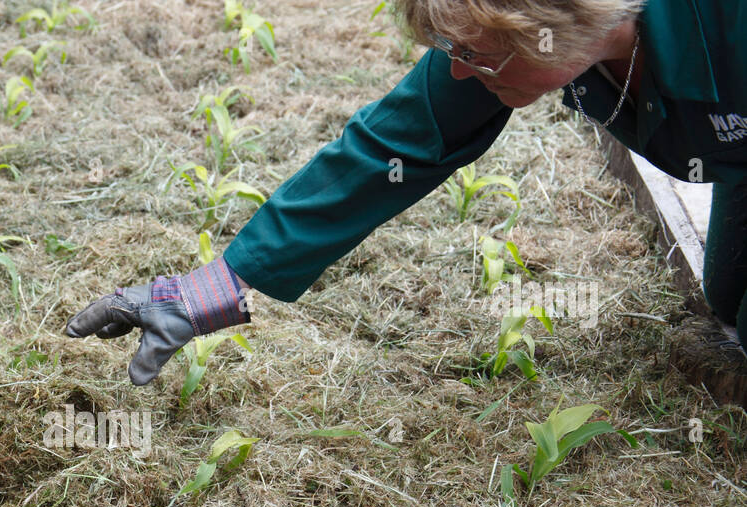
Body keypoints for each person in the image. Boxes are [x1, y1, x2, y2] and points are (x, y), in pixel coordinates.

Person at [67, 0, 747, 407]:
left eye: (473, 56)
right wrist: (209, 288)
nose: (458, 71)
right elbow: (394, 143)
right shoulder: (512, 37)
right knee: (727, 297)